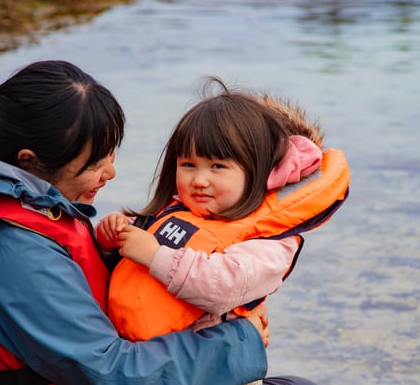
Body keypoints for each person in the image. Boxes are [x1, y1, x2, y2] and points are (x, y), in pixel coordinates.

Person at [0, 61, 273, 384]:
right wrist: (237, 341)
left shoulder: (5, 197)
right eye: (95, 163)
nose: (110, 172)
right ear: (28, 161)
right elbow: (108, 372)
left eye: (110, 155)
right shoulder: (5, 243)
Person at [97, 79, 350, 356]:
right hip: (144, 356)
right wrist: (114, 235)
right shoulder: (178, 211)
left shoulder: (269, 244)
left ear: (256, 171)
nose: (200, 180)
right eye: (188, 165)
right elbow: (149, 240)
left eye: (218, 166)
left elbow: (222, 286)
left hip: (210, 367)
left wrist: (155, 256)